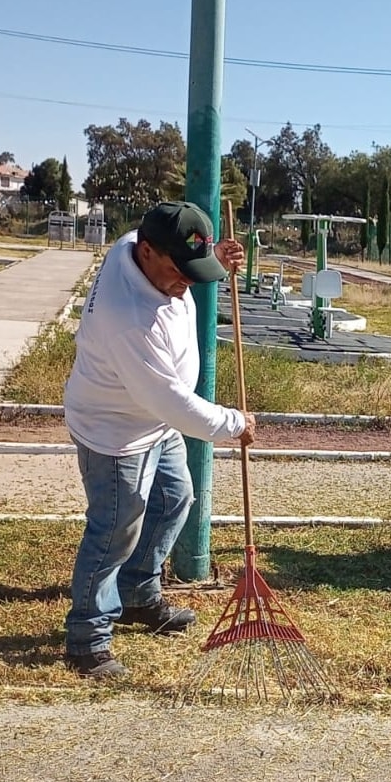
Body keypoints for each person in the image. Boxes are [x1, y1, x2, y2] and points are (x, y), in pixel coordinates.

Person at [63, 200, 257, 679]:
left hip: (152, 421)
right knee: (113, 532)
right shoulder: (127, 317)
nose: (186, 283)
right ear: (147, 253)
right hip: (114, 432)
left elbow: (165, 407)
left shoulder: (133, 246)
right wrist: (233, 424)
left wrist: (213, 262)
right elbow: (170, 401)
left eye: (196, 269)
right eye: (178, 271)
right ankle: (87, 638)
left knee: (175, 498)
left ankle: (136, 594)